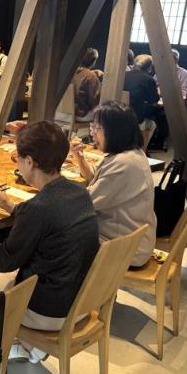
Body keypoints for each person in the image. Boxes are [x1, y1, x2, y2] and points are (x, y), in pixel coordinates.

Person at [0, 121, 100, 363]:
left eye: (18, 159)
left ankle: (23, 344)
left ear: (29, 162)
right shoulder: (80, 192)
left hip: (52, 311)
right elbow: (50, 220)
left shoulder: (37, 209)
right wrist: (11, 207)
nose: (18, 164)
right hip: (82, 301)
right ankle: (32, 346)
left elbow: (3, 262)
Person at [69, 101, 157, 268]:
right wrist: (79, 158)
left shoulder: (124, 164)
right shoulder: (131, 153)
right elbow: (96, 177)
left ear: (115, 131)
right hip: (129, 238)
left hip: (126, 248)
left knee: (57, 235)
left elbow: (85, 203)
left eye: (97, 128)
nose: (92, 133)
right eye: (92, 126)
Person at [123, 54, 159, 135]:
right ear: (149, 68)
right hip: (135, 118)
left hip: (117, 115)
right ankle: (140, 142)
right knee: (152, 124)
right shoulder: (149, 80)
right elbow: (153, 100)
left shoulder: (122, 75)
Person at [72, 47, 101, 121]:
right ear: (93, 61)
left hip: (67, 113)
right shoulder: (91, 77)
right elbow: (95, 101)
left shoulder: (71, 72)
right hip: (82, 116)